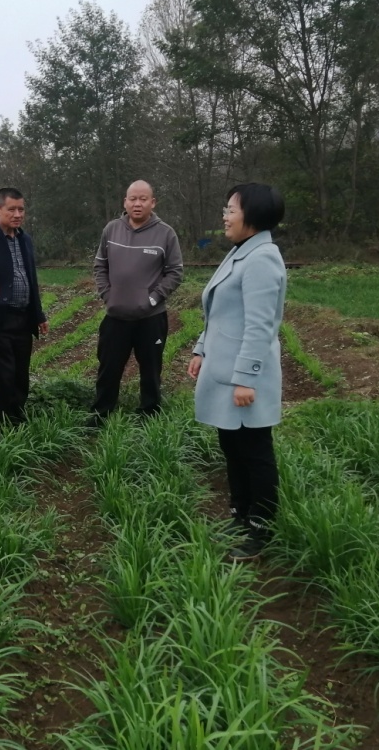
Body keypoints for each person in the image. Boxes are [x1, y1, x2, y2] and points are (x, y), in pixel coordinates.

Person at [187, 183, 287, 561]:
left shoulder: (262, 258)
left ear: (253, 214)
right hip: (224, 368)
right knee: (232, 445)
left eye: (231, 209)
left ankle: (262, 529)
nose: (225, 216)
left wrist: (246, 378)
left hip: (243, 377)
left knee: (254, 451)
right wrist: (201, 348)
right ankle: (240, 514)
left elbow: (260, 326)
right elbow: (222, 313)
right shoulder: (241, 253)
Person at [90, 180, 183, 422]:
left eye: (143, 199)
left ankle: (149, 413)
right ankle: (102, 412)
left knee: (151, 369)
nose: (137, 203)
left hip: (150, 317)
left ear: (153, 202)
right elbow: (100, 265)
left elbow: (175, 272)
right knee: (108, 367)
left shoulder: (166, 233)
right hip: (116, 316)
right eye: (133, 199)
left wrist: (152, 298)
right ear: (125, 202)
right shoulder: (111, 229)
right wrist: (107, 295)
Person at [0, 187, 48, 432]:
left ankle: (16, 422)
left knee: (20, 376)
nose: (17, 214)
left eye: (21, 209)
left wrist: (38, 315)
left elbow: (31, 278)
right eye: (11, 209)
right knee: (3, 378)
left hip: (23, 319)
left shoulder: (24, 239)